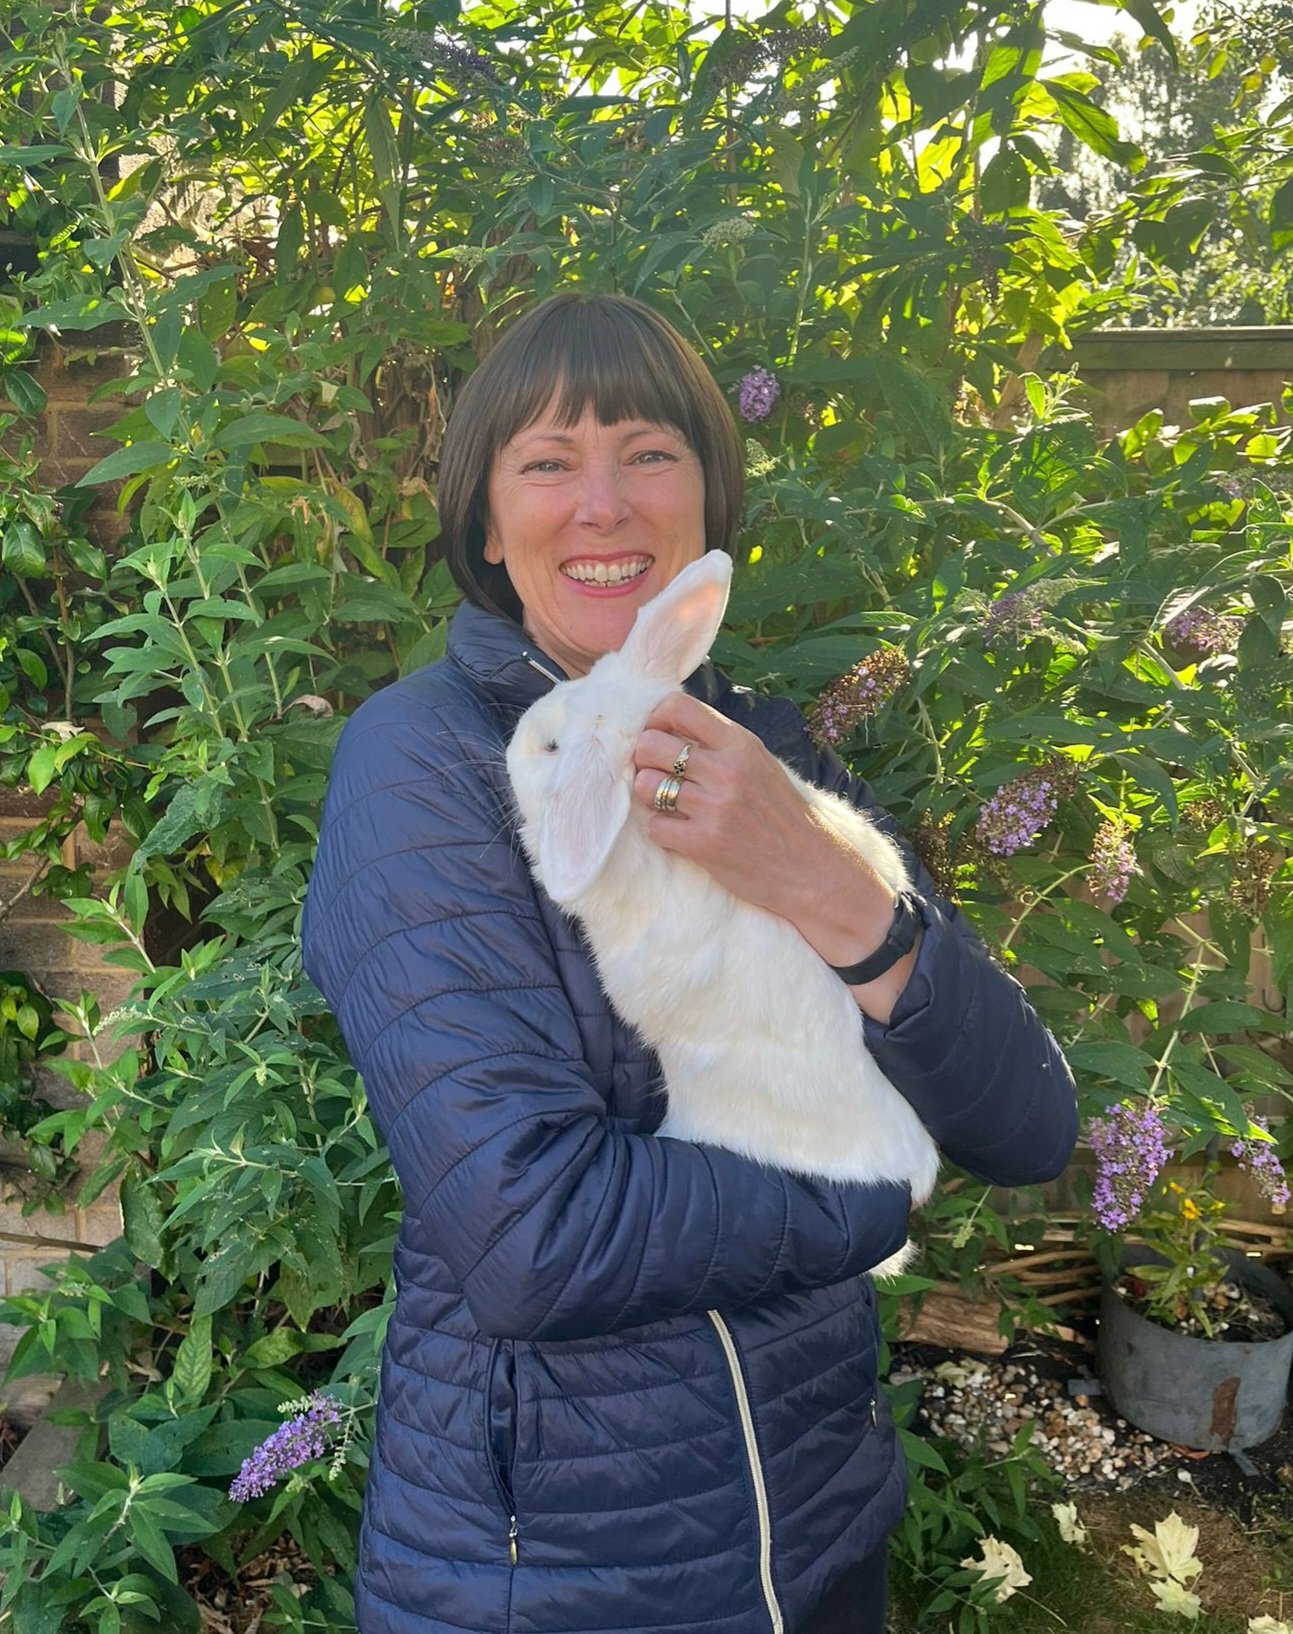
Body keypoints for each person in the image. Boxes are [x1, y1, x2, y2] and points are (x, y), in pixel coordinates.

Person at [301, 292, 1078, 1634]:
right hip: (552, 1574)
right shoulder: (424, 765)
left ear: (706, 502)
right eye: (546, 461)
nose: (602, 503)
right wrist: (874, 1196)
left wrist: (833, 889)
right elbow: (533, 1232)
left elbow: (1026, 1123)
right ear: (487, 522)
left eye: (647, 452)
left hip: (823, 1520)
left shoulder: (763, 751)